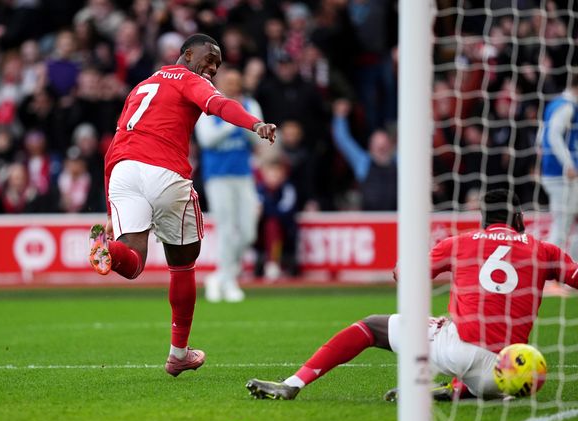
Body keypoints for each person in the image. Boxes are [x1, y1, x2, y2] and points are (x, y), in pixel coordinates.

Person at [246, 190, 578, 400]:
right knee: (470, 340)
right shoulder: (544, 250)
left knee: (372, 326)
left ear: (482, 220)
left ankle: (293, 383)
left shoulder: (460, 242)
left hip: (457, 351)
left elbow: (405, 277)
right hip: (506, 371)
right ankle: (460, 390)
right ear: (519, 220)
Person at [88, 34, 276, 377]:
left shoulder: (143, 85)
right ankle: (178, 353)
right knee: (183, 264)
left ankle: (108, 251)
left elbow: (115, 143)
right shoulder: (188, 79)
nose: (214, 67)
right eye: (210, 58)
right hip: (163, 170)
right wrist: (255, 124)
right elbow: (220, 105)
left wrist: (108, 210)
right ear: (187, 54)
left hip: (121, 169)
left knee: (132, 263)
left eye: (218, 64)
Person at [194, 67, 262, 303]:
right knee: (226, 228)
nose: (233, 86)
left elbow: (258, 136)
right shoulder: (209, 107)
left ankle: (220, 277)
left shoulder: (250, 105)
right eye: (228, 82)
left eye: (236, 81)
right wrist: (236, 120)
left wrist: (245, 117)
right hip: (218, 176)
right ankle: (230, 280)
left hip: (243, 175)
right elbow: (207, 140)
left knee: (248, 231)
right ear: (220, 83)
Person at [331, 99, 397, 211]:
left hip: (396, 219)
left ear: (390, 146)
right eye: (377, 146)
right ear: (370, 147)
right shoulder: (363, 162)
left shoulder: (399, 161)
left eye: (384, 145)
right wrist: (340, 117)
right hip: (369, 220)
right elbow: (343, 140)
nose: (381, 149)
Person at [539, 79, 578, 259]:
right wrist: (568, 164)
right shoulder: (567, 106)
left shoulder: (555, 103)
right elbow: (553, 135)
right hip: (561, 174)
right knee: (562, 223)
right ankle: (550, 273)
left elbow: (540, 137)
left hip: (556, 172)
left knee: (569, 221)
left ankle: (570, 269)